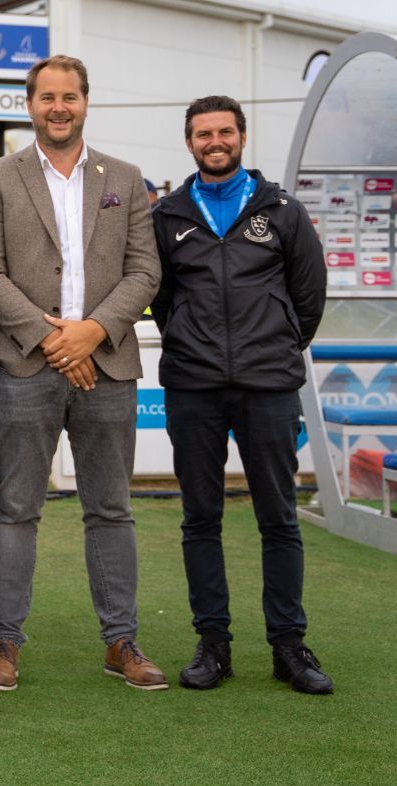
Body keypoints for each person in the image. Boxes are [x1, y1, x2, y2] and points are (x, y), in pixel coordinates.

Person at [0, 55, 167, 692]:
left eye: (70, 96)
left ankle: (122, 642)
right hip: (27, 362)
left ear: (86, 102)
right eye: (47, 96)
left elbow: (145, 271)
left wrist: (93, 332)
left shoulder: (126, 178)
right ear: (30, 104)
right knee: (14, 508)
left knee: (110, 509)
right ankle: (4, 644)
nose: (59, 106)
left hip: (107, 363)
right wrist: (55, 338)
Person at [151, 95, 331, 695]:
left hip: (267, 387)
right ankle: (214, 646)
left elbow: (308, 299)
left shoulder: (283, 211)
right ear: (189, 143)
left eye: (224, 132)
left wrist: (272, 347)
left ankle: (288, 647)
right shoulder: (169, 215)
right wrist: (192, 340)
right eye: (203, 134)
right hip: (194, 387)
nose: (215, 142)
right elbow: (161, 300)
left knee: (278, 518)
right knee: (200, 519)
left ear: (243, 137)